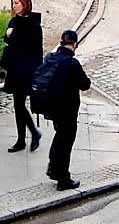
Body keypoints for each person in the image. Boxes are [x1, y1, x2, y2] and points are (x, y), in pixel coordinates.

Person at [33, 27, 91, 190]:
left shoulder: (50, 57)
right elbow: (85, 84)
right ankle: (63, 178)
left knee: (59, 138)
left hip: (51, 108)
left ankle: (54, 169)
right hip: (67, 110)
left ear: (61, 42)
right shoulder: (72, 63)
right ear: (74, 44)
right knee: (65, 142)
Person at [0, 0, 46, 153]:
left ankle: (32, 133)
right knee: (18, 105)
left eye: (17, 3)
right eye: (13, 3)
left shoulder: (33, 25)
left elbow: (37, 52)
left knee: (20, 104)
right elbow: (8, 40)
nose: (14, 6)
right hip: (15, 69)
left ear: (25, 4)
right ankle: (23, 138)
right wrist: (8, 34)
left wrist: (36, 74)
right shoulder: (15, 21)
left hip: (27, 71)